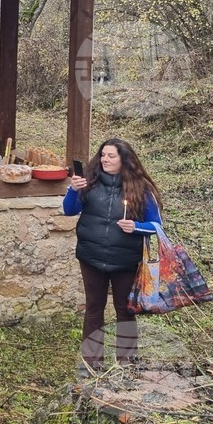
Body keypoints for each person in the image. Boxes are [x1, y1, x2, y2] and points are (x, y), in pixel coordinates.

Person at [63, 138, 162, 374]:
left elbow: (157, 226)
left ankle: (127, 364)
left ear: (124, 160)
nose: (105, 160)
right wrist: (73, 190)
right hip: (91, 256)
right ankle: (91, 363)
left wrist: (136, 227)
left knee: (124, 309)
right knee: (94, 307)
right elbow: (69, 210)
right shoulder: (89, 182)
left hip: (126, 260)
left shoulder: (141, 188)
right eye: (103, 155)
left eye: (111, 156)